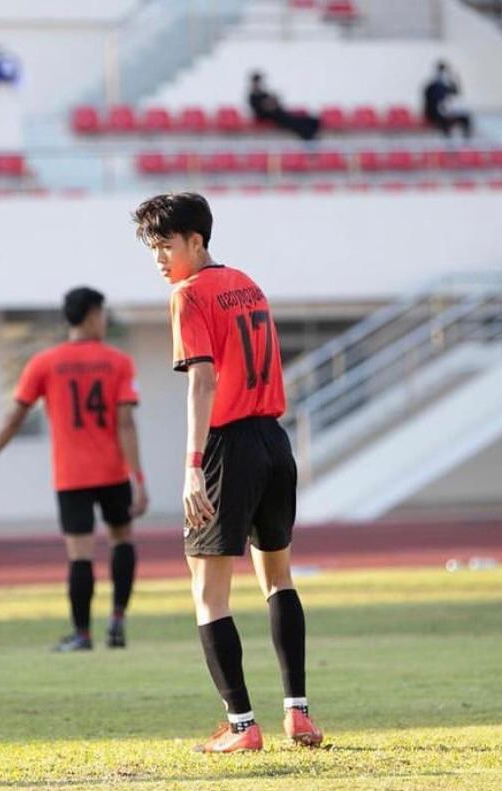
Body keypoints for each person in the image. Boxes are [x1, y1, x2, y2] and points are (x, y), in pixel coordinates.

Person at [131, 192, 323, 753]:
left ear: (196, 241)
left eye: (165, 246)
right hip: (273, 441)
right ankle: (298, 713)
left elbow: (203, 381)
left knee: (208, 593)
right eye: (152, 249)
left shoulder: (188, 294)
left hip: (229, 446)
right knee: (279, 579)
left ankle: (242, 725)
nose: (159, 259)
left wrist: (192, 467)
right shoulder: (249, 284)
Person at [0, 288, 148, 651]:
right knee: (122, 540)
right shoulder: (119, 362)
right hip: (113, 472)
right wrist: (138, 479)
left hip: (71, 476)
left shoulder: (44, 363)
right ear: (92, 315)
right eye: (102, 314)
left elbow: (14, 418)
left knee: (80, 554)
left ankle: (82, 634)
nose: (104, 320)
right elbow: (126, 424)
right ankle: (117, 621)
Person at [247, 72, 321, 141]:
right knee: (292, 122)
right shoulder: (252, 96)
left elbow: (275, 104)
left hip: (278, 113)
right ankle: (308, 136)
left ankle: (313, 127)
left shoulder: (264, 94)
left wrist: (274, 102)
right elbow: (259, 111)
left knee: (299, 119)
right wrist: (268, 106)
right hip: (271, 117)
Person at [422, 61, 473, 139]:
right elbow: (432, 103)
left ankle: (466, 139)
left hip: (448, 111)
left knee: (465, 117)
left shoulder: (448, 84)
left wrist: (455, 80)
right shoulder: (431, 86)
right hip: (435, 112)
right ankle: (447, 139)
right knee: (444, 120)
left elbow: (456, 94)